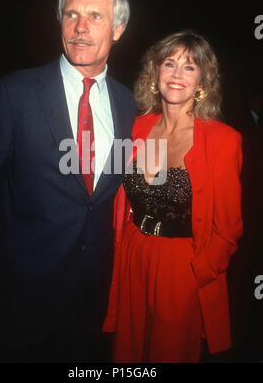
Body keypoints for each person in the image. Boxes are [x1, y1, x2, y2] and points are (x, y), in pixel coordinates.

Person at [0, 0, 136, 362]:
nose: (80, 27)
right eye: (71, 14)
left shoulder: (130, 106)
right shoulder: (13, 94)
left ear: (119, 28)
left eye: (96, 16)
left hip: (96, 304)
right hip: (20, 301)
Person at [103, 30, 243, 363]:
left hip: (183, 267)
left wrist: (197, 274)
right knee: (128, 355)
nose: (177, 74)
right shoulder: (134, 127)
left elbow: (229, 229)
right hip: (132, 258)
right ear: (156, 74)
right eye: (169, 63)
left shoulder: (223, 140)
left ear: (203, 80)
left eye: (190, 67)